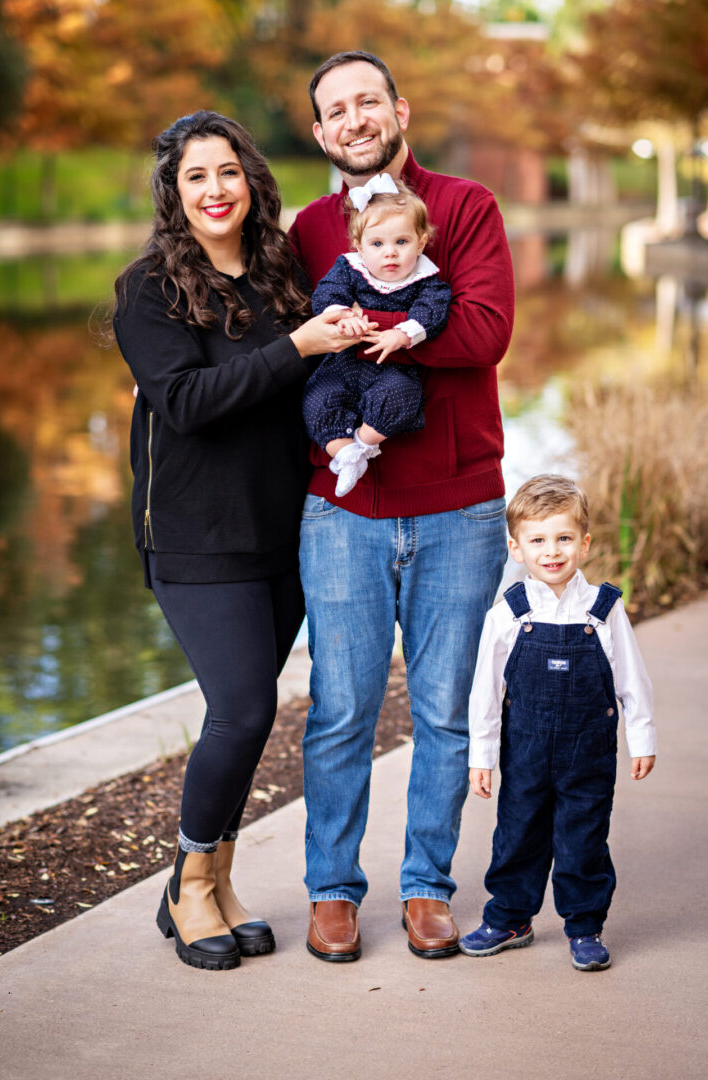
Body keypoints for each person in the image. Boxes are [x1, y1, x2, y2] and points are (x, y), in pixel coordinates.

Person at [113, 109, 366, 971]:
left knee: (250, 718)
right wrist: (295, 346)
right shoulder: (148, 290)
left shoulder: (282, 272)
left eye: (228, 171)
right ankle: (189, 885)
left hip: (280, 527)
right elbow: (186, 403)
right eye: (196, 177)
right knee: (244, 709)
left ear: (251, 180)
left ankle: (210, 879)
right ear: (173, 193)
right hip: (193, 534)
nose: (215, 190)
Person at [288, 51, 515, 962]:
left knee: (444, 711)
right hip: (340, 509)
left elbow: (484, 330)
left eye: (367, 101)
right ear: (319, 132)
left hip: (458, 504)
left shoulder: (462, 208)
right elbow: (286, 343)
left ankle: (427, 888)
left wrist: (368, 333)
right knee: (340, 710)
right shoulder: (304, 230)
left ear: (398, 109)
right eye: (335, 109)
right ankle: (333, 892)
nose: (354, 118)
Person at [460, 475, 656, 971]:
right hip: (524, 751)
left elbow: (632, 680)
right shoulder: (508, 613)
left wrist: (642, 738)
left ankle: (585, 926)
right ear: (516, 547)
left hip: (588, 753)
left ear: (584, 544)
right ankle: (509, 916)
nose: (552, 551)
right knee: (517, 834)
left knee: (583, 839)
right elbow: (486, 692)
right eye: (538, 540)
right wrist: (480, 757)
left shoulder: (603, 610)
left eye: (564, 538)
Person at [303, 175, 452, 496]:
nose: (390, 254)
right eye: (377, 244)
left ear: (421, 241)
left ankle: (361, 446)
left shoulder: (427, 280)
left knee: (401, 396)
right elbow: (328, 293)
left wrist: (403, 334)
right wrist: (341, 315)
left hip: (392, 368)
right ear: (359, 245)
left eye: (402, 242)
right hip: (341, 365)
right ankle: (342, 453)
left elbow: (433, 309)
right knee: (318, 399)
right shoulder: (349, 268)